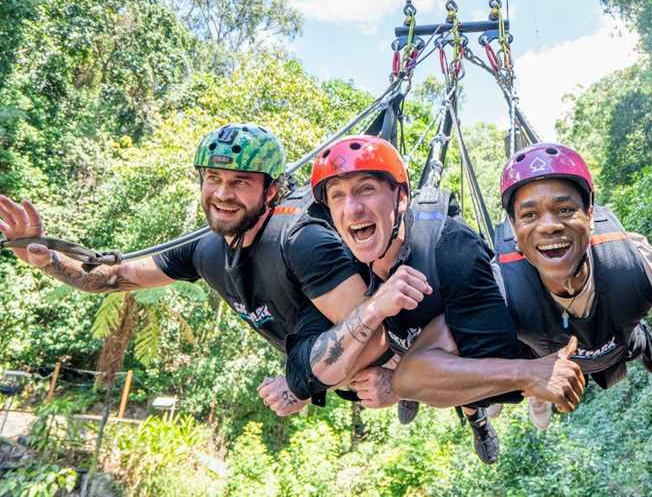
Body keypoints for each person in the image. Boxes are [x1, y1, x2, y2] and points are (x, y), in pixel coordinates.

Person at [0, 123, 383, 417]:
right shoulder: (206, 247)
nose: (222, 193)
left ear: (271, 191)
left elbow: (375, 338)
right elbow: (112, 277)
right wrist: (47, 259)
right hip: (326, 365)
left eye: (240, 182)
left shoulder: (301, 241)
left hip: (376, 362)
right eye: (213, 178)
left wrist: (302, 385)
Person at [393, 142, 652, 430]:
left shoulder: (638, 265)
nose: (550, 226)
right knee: (524, 377)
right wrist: (527, 375)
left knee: (601, 348)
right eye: (530, 215)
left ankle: (544, 384)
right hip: (541, 355)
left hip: (613, 342)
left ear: (590, 214)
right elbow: (411, 375)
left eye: (565, 210)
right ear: (515, 232)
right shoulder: (497, 286)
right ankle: (536, 395)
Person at [283, 135, 585, 464]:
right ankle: (443, 393)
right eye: (337, 196)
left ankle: (478, 419)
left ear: (401, 197)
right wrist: (373, 309)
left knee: (463, 388)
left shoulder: (453, 249)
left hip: (460, 333)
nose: (351, 208)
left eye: (366, 189)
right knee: (402, 365)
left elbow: (489, 364)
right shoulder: (341, 261)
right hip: (409, 348)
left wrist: (399, 387)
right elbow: (302, 371)